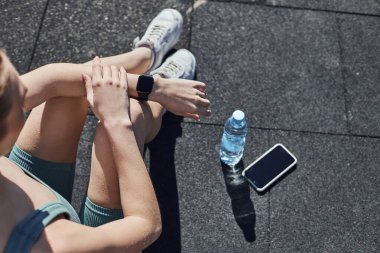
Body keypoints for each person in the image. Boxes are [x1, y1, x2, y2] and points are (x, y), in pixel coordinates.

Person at [0, 8, 211, 252]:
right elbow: (146, 226)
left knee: (65, 92)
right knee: (127, 120)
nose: (26, 89)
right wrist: (116, 119)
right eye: (21, 96)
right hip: (84, 239)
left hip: (29, 195)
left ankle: (143, 59)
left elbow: (51, 80)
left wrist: (153, 86)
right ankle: (155, 108)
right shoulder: (52, 245)